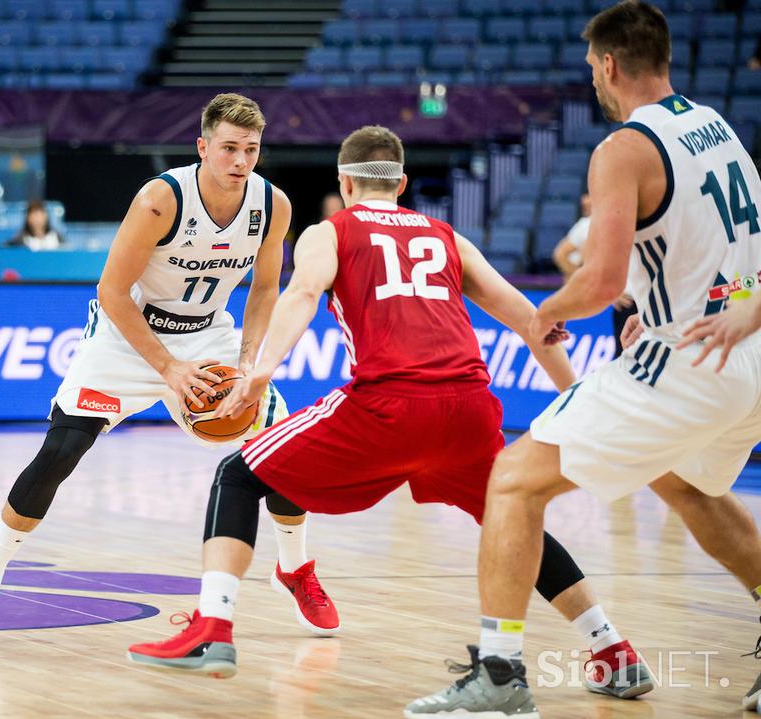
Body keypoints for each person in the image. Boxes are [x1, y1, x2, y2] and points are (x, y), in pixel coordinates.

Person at [126, 126, 651, 705]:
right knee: (514, 519)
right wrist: (574, 395)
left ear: (345, 183)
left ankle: (213, 630)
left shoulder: (330, 231)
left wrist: (260, 373)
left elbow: (300, 296)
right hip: (471, 412)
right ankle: (610, 648)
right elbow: (533, 322)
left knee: (239, 473)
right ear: (401, 184)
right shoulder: (446, 234)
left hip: (389, 406)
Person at [412, 2, 761, 715]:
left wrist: (548, 311)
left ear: (607, 65)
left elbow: (598, 280)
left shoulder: (623, 148)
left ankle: (500, 675)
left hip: (686, 361)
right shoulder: (717, 126)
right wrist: (656, 306)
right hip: (745, 353)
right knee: (686, 484)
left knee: (511, 482)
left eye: (591, 68)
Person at [0, 93, 341, 644]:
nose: (241, 160)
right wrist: (168, 368)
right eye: (229, 148)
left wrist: (248, 364)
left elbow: (266, 288)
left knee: (282, 447)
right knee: (60, 452)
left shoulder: (273, 206)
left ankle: (293, 568)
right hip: (130, 334)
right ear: (203, 147)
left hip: (209, 332)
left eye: (251, 149)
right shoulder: (161, 199)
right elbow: (111, 291)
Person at [554, 192, 636, 357]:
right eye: (585, 196)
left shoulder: (610, 223)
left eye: (590, 196)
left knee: (628, 357)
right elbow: (562, 255)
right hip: (629, 300)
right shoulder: (590, 224)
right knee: (627, 357)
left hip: (636, 299)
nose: (585, 201)